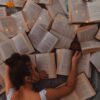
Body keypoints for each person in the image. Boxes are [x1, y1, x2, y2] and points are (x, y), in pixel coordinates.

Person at [5, 51, 81, 100]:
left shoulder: (11, 96)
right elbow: (69, 87)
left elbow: (8, 67)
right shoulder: (41, 96)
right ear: (27, 79)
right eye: (36, 70)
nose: (38, 71)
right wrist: (74, 63)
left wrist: (34, 76)